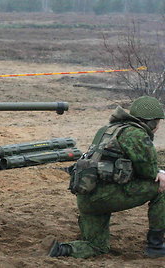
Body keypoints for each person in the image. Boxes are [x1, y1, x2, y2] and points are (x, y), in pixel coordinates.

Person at [48, 96, 165, 259]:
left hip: (87, 196)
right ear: (152, 122)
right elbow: (149, 172)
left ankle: (61, 250)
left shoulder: (108, 129)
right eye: (158, 122)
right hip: (105, 195)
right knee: (162, 188)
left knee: (97, 246)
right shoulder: (136, 134)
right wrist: (160, 173)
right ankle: (156, 245)